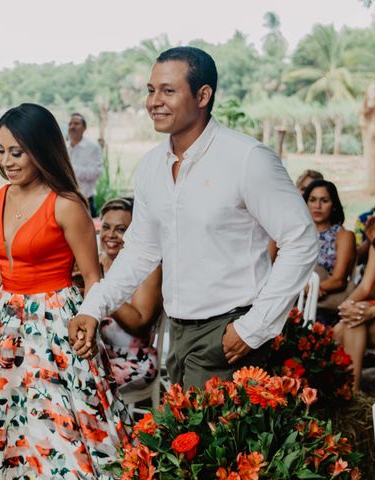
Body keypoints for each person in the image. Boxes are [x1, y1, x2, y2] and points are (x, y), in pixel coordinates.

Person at [69, 46, 318, 389]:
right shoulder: (151, 166)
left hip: (230, 330)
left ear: (203, 95)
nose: (154, 101)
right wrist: (93, 306)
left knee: (221, 442)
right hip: (177, 331)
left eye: (168, 90)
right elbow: (141, 251)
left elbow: (301, 240)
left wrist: (254, 327)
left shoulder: (247, 159)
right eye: (151, 90)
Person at [0, 103, 130, 479]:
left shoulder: (66, 205)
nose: (7, 161)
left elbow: (94, 276)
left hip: (54, 324)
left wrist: (89, 322)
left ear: (41, 148)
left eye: (17, 152)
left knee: (55, 426)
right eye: (0, 151)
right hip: (3, 325)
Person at [97, 197, 163, 392]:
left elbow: (139, 324)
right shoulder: (95, 264)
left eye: (121, 229)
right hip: (99, 356)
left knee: (84, 387)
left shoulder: (147, 268)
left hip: (134, 360)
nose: (111, 235)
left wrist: (102, 283)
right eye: (106, 227)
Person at [336, 180, 375, 392]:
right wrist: (346, 305)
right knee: (346, 322)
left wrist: (371, 312)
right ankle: (346, 393)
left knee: (350, 325)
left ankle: (349, 396)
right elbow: (365, 286)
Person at [302, 180, 356, 324]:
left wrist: (311, 287)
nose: (317, 206)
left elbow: (339, 280)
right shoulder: (295, 233)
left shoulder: (343, 236)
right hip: (289, 300)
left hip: (322, 306)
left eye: (324, 200)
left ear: (333, 205)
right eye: (312, 200)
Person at [66, 113, 102, 217]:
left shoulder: (93, 147)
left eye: (76, 123)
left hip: (86, 201)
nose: (72, 127)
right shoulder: (64, 147)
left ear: (84, 127)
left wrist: (69, 169)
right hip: (65, 200)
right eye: (70, 124)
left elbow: (96, 172)